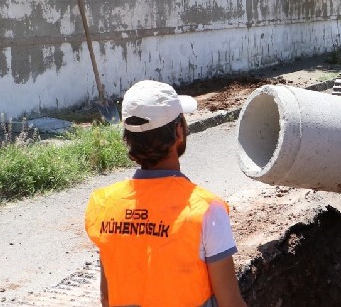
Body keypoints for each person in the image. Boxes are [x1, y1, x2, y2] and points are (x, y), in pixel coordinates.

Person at [85, 80, 248, 307]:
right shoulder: (206, 210)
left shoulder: (103, 204)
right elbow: (231, 303)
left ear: (129, 139)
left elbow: (107, 297)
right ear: (178, 131)